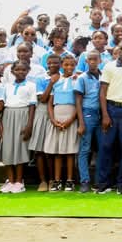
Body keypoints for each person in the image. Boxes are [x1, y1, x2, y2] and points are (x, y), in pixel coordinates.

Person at [97, 40, 122, 194]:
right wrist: (105, 114)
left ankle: (121, 183)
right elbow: (102, 92)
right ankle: (103, 183)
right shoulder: (109, 66)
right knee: (106, 146)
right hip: (111, 108)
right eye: (121, 49)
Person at [0, 61, 37, 193]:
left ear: (28, 71)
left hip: (23, 114)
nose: (20, 72)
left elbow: (32, 106)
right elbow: (2, 106)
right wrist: (0, 124)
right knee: (7, 149)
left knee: (20, 149)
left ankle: (19, 181)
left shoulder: (31, 85)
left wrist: (29, 125)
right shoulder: (7, 86)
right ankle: (10, 181)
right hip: (8, 115)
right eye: (17, 70)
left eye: (23, 70)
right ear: (12, 71)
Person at [45, 56, 80, 191]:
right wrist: (53, 120)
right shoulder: (56, 81)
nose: (69, 67)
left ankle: (70, 180)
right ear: (61, 66)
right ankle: (57, 180)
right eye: (66, 65)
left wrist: (71, 120)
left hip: (70, 115)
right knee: (58, 151)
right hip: (57, 115)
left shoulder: (77, 80)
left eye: (72, 65)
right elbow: (50, 103)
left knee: (70, 151)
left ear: (75, 66)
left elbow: (78, 102)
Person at [30, 54, 61, 192]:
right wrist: (51, 83)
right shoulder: (41, 78)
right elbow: (42, 99)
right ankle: (43, 181)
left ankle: (53, 180)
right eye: (50, 63)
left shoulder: (64, 77)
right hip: (42, 113)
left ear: (60, 64)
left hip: (58, 112)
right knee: (39, 150)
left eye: (55, 63)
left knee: (51, 151)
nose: (52, 65)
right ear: (46, 64)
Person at [74, 50, 102, 193]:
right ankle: (84, 181)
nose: (92, 62)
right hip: (87, 114)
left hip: (101, 114)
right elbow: (78, 101)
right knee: (85, 148)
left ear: (100, 60)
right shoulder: (82, 78)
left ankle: (99, 181)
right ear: (86, 61)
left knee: (101, 148)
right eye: (90, 59)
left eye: (95, 59)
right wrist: (81, 122)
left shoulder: (103, 76)